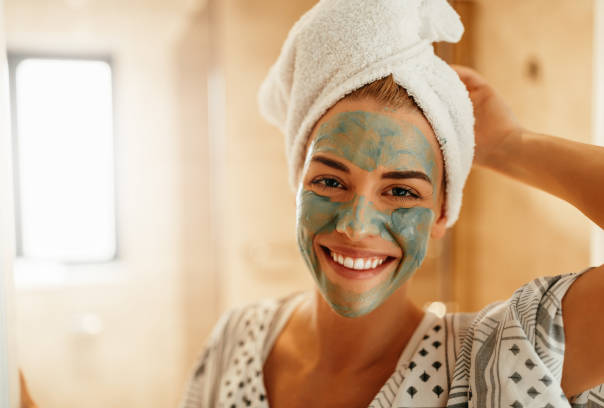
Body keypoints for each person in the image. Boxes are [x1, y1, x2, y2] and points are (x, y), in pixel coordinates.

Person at [179, 1, 604, 407]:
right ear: (298, 188)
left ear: (441, 212)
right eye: (330, 181)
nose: (357, 226)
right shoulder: (236, 339)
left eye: (401, 191)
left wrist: (512, 146)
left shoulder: (494, 363)